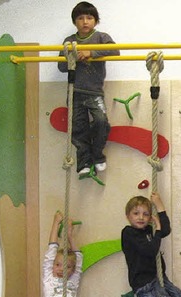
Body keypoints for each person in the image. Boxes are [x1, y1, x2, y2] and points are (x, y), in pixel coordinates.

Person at [57, 2, 119, 176]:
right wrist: (74, 58)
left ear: (96, 21)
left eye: (89, 18)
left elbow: (115, 51)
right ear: (75, 22)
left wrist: (91, 53)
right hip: (75, 92)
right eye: (80, 18)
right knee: (78, 128)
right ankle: (83, 161)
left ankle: (97, 155)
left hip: (94, 92)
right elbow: (61, 67)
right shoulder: (69, 41)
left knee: (101, 122)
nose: (85, 21)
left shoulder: (101, 37)